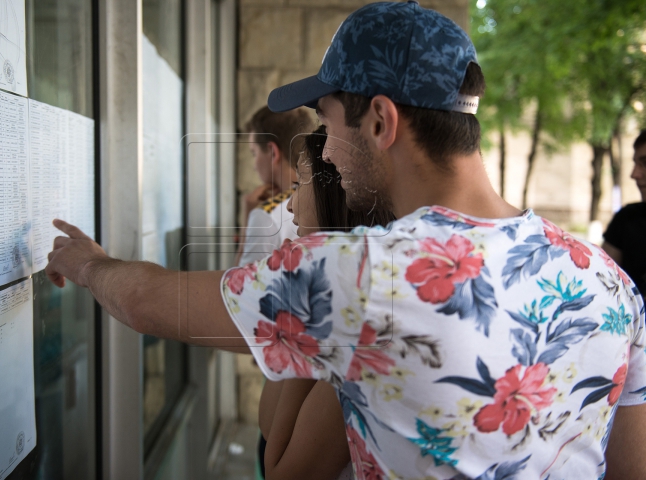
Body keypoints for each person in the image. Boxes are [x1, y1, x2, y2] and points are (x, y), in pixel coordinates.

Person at [45, 3, 646, 479]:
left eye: (328, 123)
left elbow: (153, 303)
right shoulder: (611, 283)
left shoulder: (365, 273)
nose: (325, 150)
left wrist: (90, 263)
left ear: (381, 122)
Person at [258, 126, 394, 480]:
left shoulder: (358, 316)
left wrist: (304, 314)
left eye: (300, 183)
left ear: (333, 193)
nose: (289, 204)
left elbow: (280, 466)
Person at [234, 106, 311, 267]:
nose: (254, 165)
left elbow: (239, 286)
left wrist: (248, 222)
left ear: (272, 151)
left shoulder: (266, 215)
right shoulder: (329, 196)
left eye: (254, 153)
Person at [603, 129, 646, 296]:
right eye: (635, 163)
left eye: (645, 163)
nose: (634, 174)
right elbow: (602, 283)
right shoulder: (627, 219)